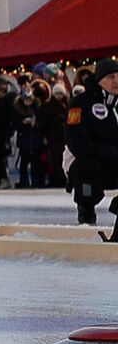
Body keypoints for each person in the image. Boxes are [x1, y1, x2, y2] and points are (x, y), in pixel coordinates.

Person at [64, 60, 118, 238]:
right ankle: (86, 208)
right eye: (111, 77)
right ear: (99, 80)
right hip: (86, 162)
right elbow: (78, 144)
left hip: (114, 162)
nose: (116, 81)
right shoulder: (81, 103)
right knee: (86, 166)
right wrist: (111, 154)